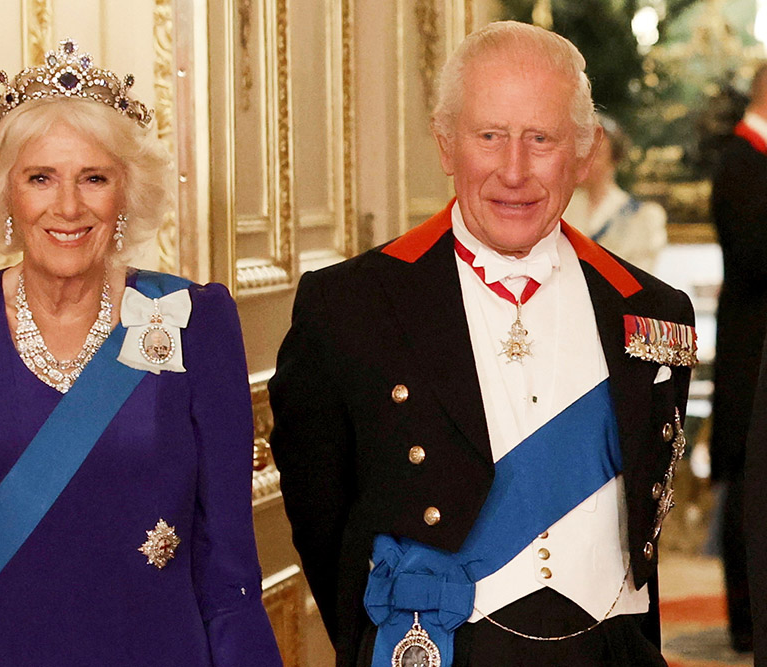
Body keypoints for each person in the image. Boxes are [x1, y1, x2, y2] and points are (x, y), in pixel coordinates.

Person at [0, 39, 282, 666]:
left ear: (124, 194)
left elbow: (228, 567)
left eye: (93, 178)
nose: (67, 207)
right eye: (40, 178)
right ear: (7, 195)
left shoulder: (193, 322)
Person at [269, 21, 695, 667]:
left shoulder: (654, 310)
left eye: (541, 139)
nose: (514, 170)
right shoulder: (351, 306)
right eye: (489, 136)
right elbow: (323, 516)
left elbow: (647, 513)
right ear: (446, 144)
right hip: (437, 646)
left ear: (582, 153)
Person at [727, 63, 767, 657]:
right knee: (751, 487)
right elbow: (755, 253)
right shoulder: (739, 158)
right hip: (753, 345)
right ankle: (747, 619)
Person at [563, 113, 668, 273]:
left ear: (614, 158)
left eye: (596, 155)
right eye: (582, 154)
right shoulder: (562, 209)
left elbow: (642, 275)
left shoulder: (642, 216)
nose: (586, 162)